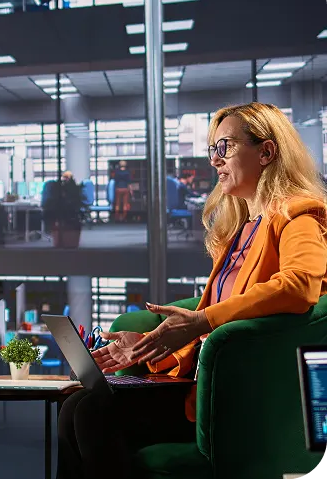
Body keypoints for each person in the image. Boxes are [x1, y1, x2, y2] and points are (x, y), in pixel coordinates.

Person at [56, 102, 327, 480]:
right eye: (211, 150)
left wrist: (200, 320)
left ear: (266, 151)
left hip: (235, 397)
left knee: (90, 413)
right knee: (75, 406)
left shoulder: (299, 216)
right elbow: (217, 319)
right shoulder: (242, 229)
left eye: (225, 147)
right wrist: (147, 342)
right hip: (201, 381)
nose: (214, 160)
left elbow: (300, 288)